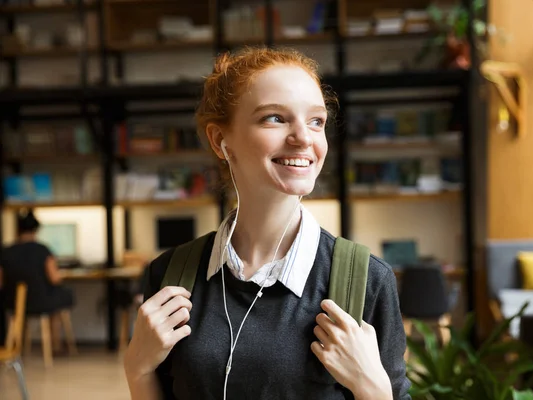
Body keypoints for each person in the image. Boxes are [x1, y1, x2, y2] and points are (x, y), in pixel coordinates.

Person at [124, 46, 412, 400]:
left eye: (316, 121)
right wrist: (137, 369)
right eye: (275, 118)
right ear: (220, 140)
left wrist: (373, 389)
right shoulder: (170, 277)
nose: (304, 138)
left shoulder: (366, 280)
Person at [0, 209, 75, 350]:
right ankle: (56, 345)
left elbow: (1, 282)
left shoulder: (6, 252)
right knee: (61, 297)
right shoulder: (42, 250)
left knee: (21, 306)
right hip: (41, 301)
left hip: (13, 302)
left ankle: (17, 345)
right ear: (36, 230)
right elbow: (55, 279)